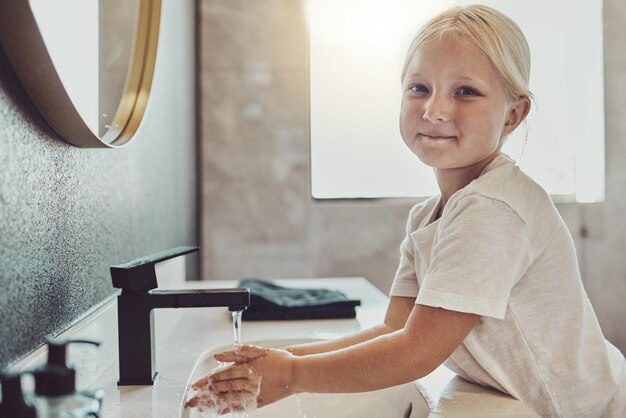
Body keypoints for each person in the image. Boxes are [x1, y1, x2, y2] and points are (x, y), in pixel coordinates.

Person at [186, 4, 626, 417]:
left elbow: (416, 353)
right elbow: (395, 331)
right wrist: (280, 361)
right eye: (419, 88)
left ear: (513, 115)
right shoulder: (429, 216)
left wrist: (293, 376)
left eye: (466, 92)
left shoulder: (492, 210)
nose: (435, 110)